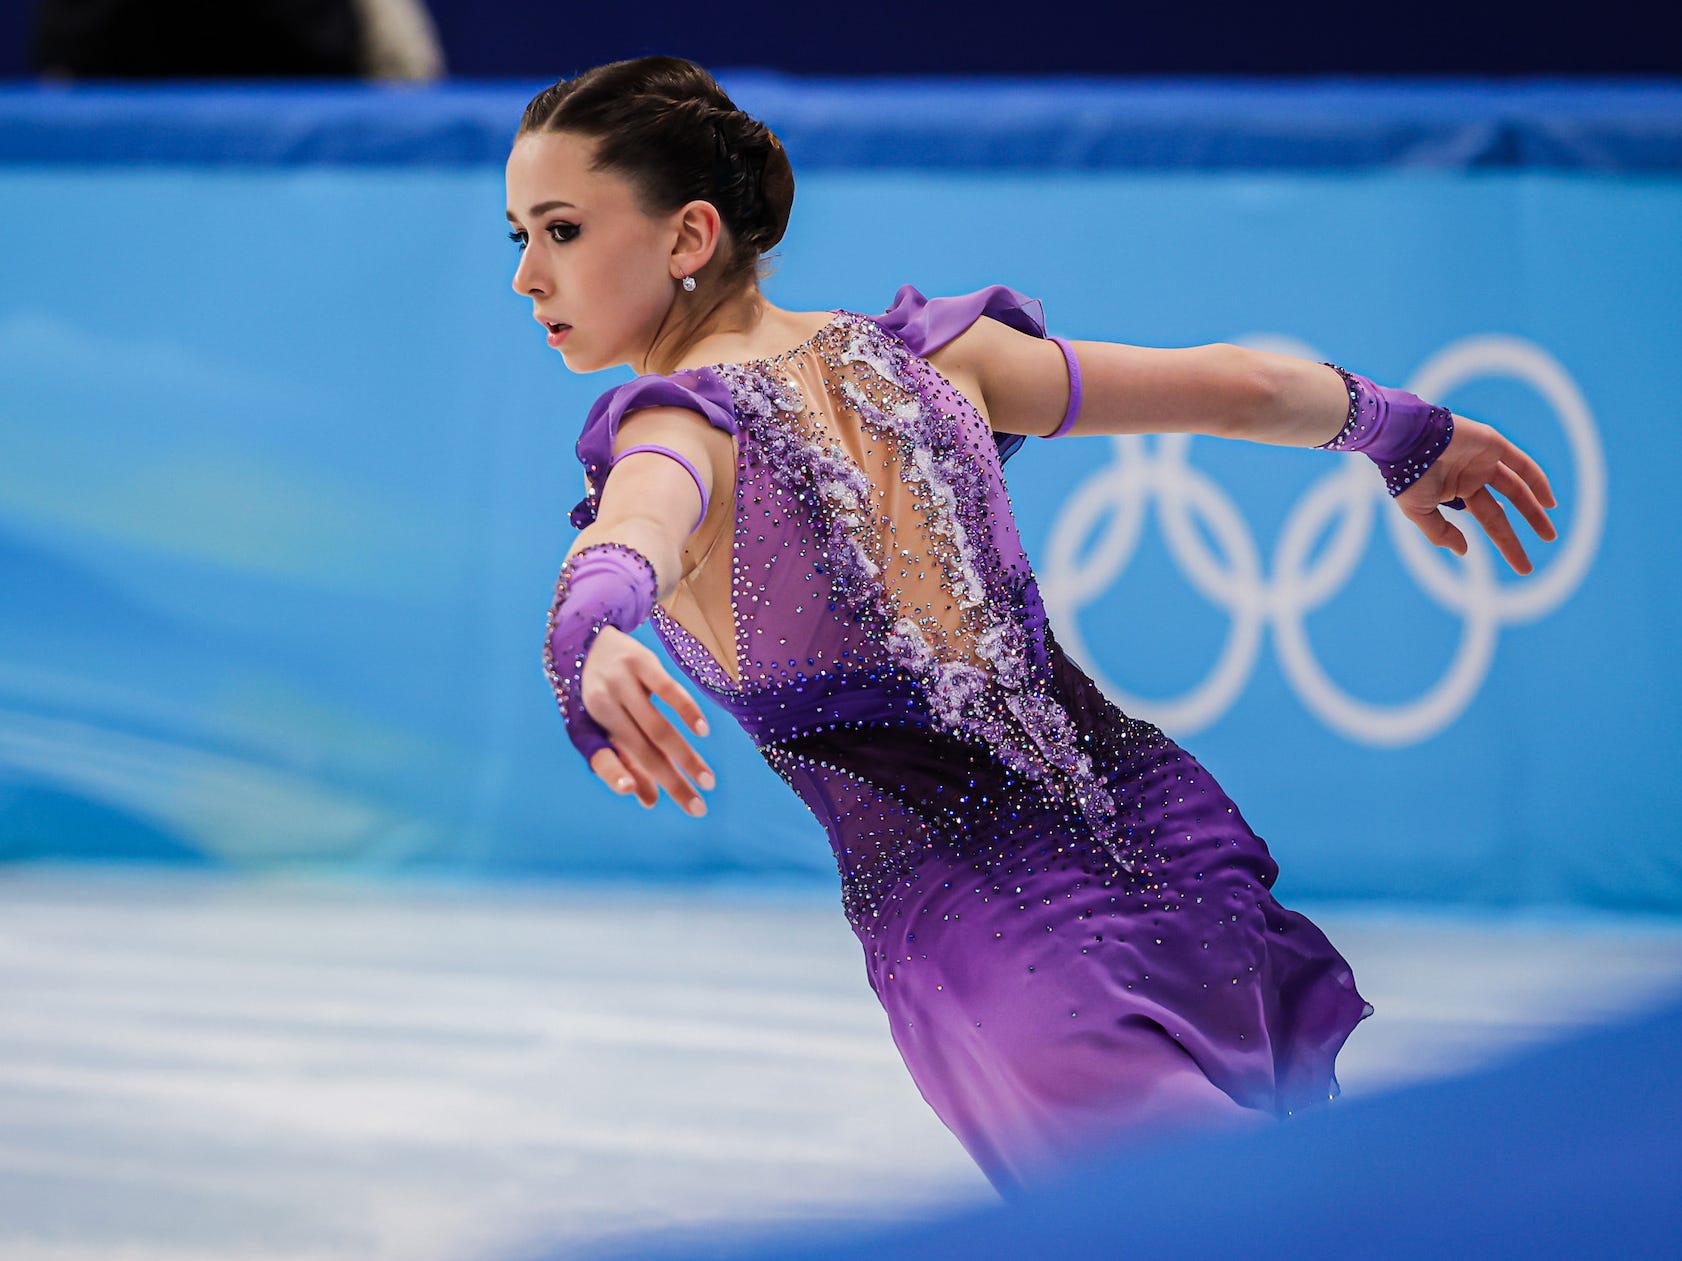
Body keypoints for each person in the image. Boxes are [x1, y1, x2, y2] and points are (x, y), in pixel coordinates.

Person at [507, 55, 1558, 1199]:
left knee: (1215, 1218)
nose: (525, 275)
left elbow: (627, 538)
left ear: (688, 234)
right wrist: (1398, 430)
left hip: (988, 935)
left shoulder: (679, 424)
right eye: (515, 234)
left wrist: (589, 638)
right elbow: (1234, 389)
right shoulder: (930, 356)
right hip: (1171, 850)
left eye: (558, 230)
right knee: (1282, 1203)